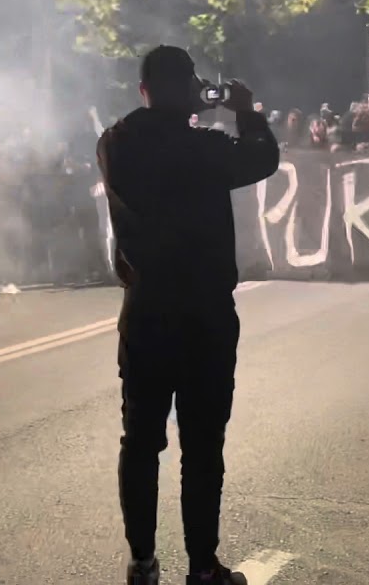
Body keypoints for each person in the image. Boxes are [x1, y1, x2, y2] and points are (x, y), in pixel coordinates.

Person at [97, 45, 279, 585]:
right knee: (203, 446)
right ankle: (202, 566)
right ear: (193, 90)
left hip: (147, 310)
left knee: (141, 440)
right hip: (203, 314)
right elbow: (263, 156)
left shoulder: (114, 143)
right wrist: (245, 111)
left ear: (143, 90)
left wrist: (182, 108)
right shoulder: (203, 147)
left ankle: (142, 561)